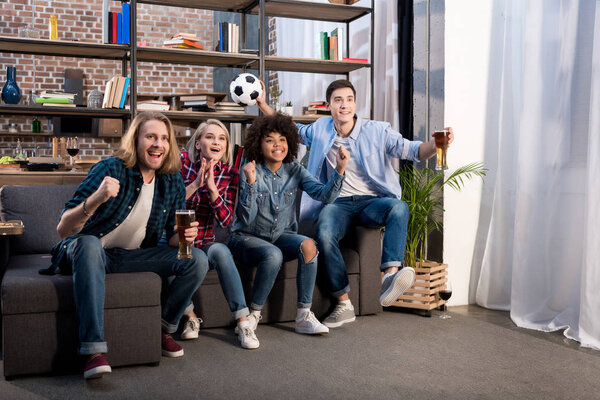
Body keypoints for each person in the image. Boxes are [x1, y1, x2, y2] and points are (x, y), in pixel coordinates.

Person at [256, 79, 454, 328]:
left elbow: (413, 150)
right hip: (337, 203)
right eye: (338, 100)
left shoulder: (378, 130)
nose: (344, 105)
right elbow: (288, 128)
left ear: (355, 104)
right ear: (329, 105)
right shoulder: (320, 128)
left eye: (349, 99)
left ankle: (390, 276)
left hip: (372, 201)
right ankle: (343, 302)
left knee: (399, 207)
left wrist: (438, 145)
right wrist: (263, 104)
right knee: (324, 232)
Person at [50, 112, 208, 379]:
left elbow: (172, 238)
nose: (158, 144)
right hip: (84, 252)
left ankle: (163, 329)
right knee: (89, 244)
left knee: (197, 259)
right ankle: (93, 352)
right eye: (150, 137)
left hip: (128, 257)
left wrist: (184, 237)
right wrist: (97, 198)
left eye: (164, 138)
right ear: (136, 140)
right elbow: (63, 229)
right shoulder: (109, 168)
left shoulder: (171, 181)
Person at [228, 113, 349, 337]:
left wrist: (339, 170)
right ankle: (254, 314)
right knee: (273, 254)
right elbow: (245, 218)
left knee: (309, 245)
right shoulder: (250, 170)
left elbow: (325, 196)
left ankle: (303, 315)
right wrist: (252, 184)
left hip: (281, 235)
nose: (277, 145)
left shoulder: (295, 170)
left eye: (282, 139)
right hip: (245, 237)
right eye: (270, 139)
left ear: (290, 143)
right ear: (258, 143)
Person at [179, 119, 258, 349]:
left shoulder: (229, 173)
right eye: (210, 136)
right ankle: (191, 318)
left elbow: (225, 220)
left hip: (207, 240)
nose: (216, 142)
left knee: (222, 251)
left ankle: (243, 323)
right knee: (191, 257)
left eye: (222, 138)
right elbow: (169, 203)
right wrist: (196, 184)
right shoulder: (182, 163)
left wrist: (213, 189)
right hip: (180, 238)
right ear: (197, 144)